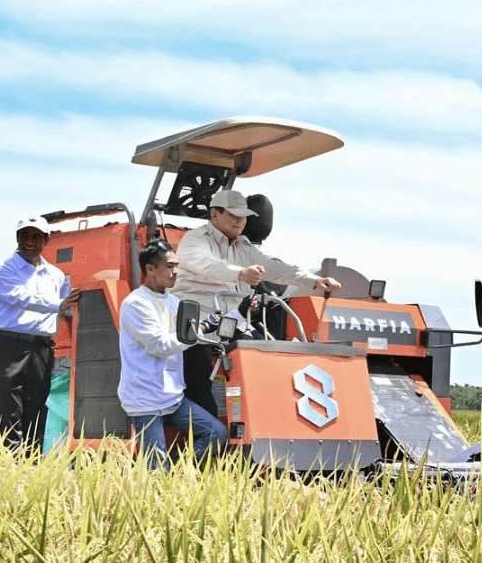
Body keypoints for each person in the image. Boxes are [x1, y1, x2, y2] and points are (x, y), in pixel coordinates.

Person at [172, 189, 342, 415]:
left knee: (268, 359)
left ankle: (270, 420)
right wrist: (240, 274)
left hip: (232, 322)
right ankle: (208, 433)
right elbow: (208, 266)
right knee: (199, 381)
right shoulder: (194, 240)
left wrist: (316, 280)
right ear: (214, 215)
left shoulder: (244, 247)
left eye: (243, 216)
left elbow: (275, 269)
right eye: (233, 215)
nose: (240, 221)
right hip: (197, 323)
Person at [118, 239, 227, 471]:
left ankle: (176, 471)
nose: (176, 271)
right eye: (169, 266)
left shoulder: (175, 302)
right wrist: (201, 330)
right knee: (155, 470)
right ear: (150, 269)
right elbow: (161, 345)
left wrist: (239, 312)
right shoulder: (135, 304)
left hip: (173, 398)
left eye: (177, 265)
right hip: (145, 399)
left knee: (216, 433)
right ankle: (163, 478)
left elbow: (192, 336)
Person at [0, 216, 81, 456]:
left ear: (46, 240)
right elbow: (20, 297)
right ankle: (7, 467)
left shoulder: (57, 275)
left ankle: (31, 465)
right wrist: (59, 305)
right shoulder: (1, 269)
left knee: (36, 408)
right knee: (7, 409)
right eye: (24, 235)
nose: (29, 241)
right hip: (7, 345)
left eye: (36, 236)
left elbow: (67, 308)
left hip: (42, 347)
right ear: (17, 239)